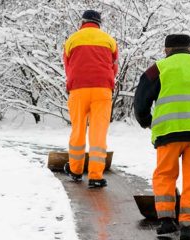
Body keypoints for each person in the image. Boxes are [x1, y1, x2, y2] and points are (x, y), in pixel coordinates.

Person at [134, 34, 190, 240]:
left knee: (165, 174)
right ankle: (188, 226)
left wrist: (145, 120)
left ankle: (166, 220)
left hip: (169, 130)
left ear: (166, 50)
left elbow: (141, 97)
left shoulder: (159, 68)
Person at [62, 10, 119, 188]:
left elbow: (67, 65)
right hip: (102, 90)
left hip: (78, 89)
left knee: (78, 130)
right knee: (98, 133)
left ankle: (76, 171)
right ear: (99, 23)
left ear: (83, 22)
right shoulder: (109, 40)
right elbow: (114, 67)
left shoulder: (72, 39)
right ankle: (95, 176)